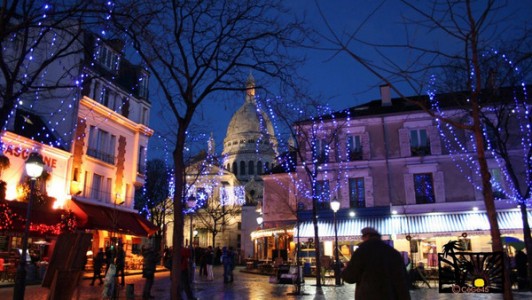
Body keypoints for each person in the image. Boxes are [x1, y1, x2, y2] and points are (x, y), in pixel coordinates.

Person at [342, 227, 410, 300]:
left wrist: (344, 270)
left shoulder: (362, 252)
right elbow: (402, 281)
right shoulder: (392, 252)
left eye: (363, 237)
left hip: (368, 295)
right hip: (390, 295)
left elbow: (350, 277)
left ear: (367, 236)